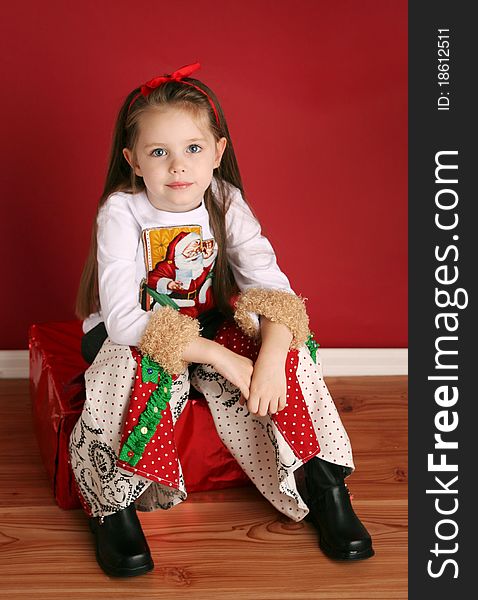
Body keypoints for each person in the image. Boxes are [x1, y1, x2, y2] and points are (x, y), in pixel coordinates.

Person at [69, 61, 374, 578]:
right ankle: (112, 503)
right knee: (128, 363)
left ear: (218, 152)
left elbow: (272, 287)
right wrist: (220, 358)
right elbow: (123, 320)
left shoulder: (225, 200)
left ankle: (322, 485)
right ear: (134, 161)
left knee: (289, 347)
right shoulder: (121, 210)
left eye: (192, 148)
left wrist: (272, 357)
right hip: (131, 331)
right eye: (158, 152)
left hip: (204, 321)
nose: (177, 167)